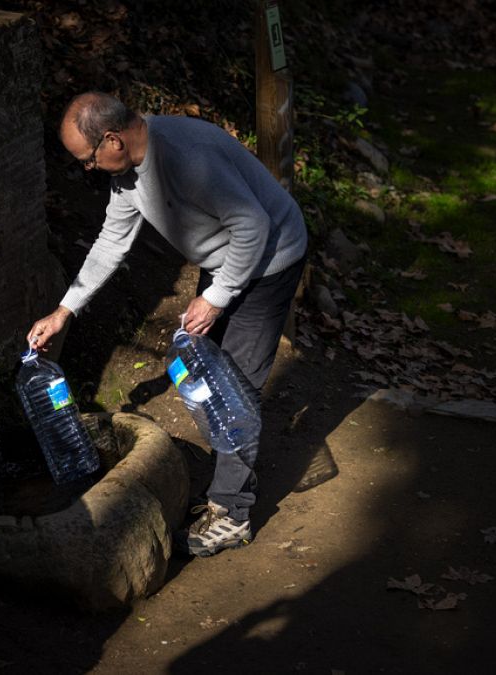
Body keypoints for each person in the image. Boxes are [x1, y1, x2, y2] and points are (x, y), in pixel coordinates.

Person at [27, 92, 307, 556]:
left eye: (88, 159)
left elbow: (253, 225)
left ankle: (232, 511)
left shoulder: (183, 156)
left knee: (235, 385)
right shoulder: (129, 173)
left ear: (112, 139)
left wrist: (215, 299)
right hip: (227, 257)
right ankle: (227, 480)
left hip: (271, 258)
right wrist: (64, 311)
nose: (88, 170)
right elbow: (111, 242)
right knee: (199, 370)